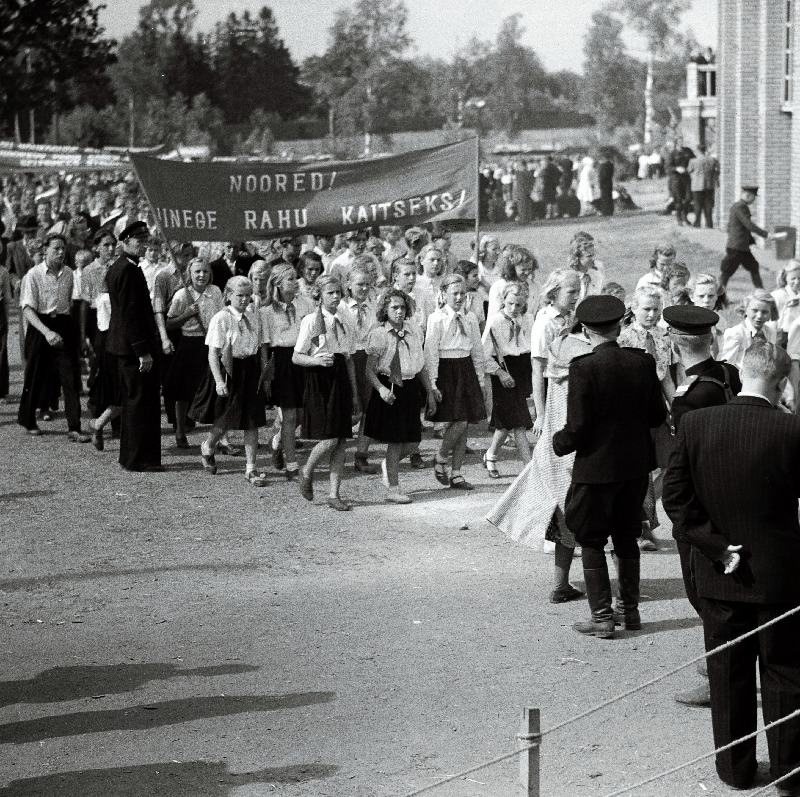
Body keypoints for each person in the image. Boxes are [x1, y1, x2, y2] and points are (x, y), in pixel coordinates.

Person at [663, 342, 800, 796]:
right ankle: (789, 772)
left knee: (726, 676)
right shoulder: (791, 429)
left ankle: (735, 770)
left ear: (742, 372)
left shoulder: (696, 423)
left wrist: (717, 548)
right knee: (785, 674)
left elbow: (676, 501)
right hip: (781, 575)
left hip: (719, 574)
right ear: (782, 383)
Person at [553, 295, 666, 638]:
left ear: (586, 330)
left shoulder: (583, 367)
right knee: (627, 535)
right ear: (619, 326)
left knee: (590, 538)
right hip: (635, 466)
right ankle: (629, 612)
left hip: (596, 468)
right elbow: (657, 416)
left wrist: (558, 442)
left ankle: (602, 617)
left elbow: (577, 428)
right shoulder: (642, 361)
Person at [663, 304, 742, 708]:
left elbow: (684, 464)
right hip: (734, 491)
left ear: (674, 343)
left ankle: (719, 678)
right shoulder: (727, 373)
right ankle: (723, 661)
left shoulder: (689, 397)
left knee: (704, 595)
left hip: (703, 505)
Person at [190, 276, 270, 487]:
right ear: (228, 295)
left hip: (249, 370)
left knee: (252, 421)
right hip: (228, 369)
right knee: (226, 418)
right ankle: (208, 445)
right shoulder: (221, 318)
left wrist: (264, 376)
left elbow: (259, 347)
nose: (244, 300)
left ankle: (251, 468)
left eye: (248, 295)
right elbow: (212, 353)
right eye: (239, 295)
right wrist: (219, 381)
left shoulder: (253, 316)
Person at [293, 275, 361, 511]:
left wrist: (354, 392)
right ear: (319, 295)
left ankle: (334, 494)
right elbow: (297, 356)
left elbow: (349, 359)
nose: (335, 297)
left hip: (340, 376)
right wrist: (316, 361)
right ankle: (307, 471)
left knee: (341, 439)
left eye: (338, 292)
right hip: (320, 377)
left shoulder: (345, 318)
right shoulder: (311, 321)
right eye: (330, 293)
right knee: (330, 437)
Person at [364, 288, 439, 504]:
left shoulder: (413, 330)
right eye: (394, 307)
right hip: (391, 387)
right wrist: (381, 389)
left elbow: (421, 365)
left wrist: (430, 392)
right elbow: (369, 371)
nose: (399, 311)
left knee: (414, 441)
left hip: (410, 387)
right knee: (395, 441)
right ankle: (393, 489)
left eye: (403, 307)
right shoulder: (379, 334)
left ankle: (389, 464)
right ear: (385, 310)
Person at [16, 233, 89, 441]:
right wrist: (46, 332)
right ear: (45, 250)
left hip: (63, 324)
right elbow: (27, 309)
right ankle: (28, 419)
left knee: (71, 376)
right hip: (40, 325)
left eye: (63, 248)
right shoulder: (33, 274)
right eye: (56, 248)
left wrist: (75, 334)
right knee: (35, 375)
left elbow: (70, 303)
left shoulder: (68, 273)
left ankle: (74, 427)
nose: (60, 252)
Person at [105, 221, 163, 472]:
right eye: (139, 242)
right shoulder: (127, 270)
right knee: (139, 403)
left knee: (137, 402)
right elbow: (130, 314)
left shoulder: (122, 267)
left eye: (145, 241)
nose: (144, 246)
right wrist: (142, 351)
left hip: (126, 346)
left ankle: (137, 457)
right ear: (125, 242)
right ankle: (137, 458)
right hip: (132, 349)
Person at [425, 273, 486, 491]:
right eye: (454, 293)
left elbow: (477, 350)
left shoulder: (470, 318)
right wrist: (433, 383)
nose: (459, 298)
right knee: (458, 421)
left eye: (463, 293)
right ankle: (441, 457)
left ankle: (457, 473)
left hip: (466, 368)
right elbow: (431, 352)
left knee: (464, 423)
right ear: (443, 294)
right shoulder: (436, 318)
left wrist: (480, 379)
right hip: (446, 369)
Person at [261, 263, 314, 479]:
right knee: (290, 415)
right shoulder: (266, 311)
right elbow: (264, 347)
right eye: (290, 279)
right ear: (278, 284)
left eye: (295, 278)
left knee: (301, 414)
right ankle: (292, 464)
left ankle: (277, 440)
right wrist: (266, 376)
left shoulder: (306, 304)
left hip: (302, 358)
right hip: (282, 362)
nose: (296, 282)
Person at [165, 258, 224, 449]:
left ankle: (220, 437)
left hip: (211, 343)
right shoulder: (183, 294)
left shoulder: (215, 291)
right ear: (189, 274)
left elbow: (222, 315)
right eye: (197, 271)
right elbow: (169, 323)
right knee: (183, 391)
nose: (201, 275)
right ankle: (180, 431)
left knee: (216, 389)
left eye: (205, 271)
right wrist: (186, 314)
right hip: (190, 343)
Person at [482, 283, 533, 474]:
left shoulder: (528, 319)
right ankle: (529, 468)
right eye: (510, 303)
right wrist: (500, 373)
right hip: (503, 371)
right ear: (503, 300)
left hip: (522, 370)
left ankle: (491, 455)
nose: (513, 308)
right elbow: (484, 354)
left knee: (507, 423)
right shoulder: (495, 321)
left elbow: (531, 345)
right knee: (518, 423)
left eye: (518, 305)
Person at [342, 266, 379, 475]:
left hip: (368, 358)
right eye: (359, 284)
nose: (364, 288)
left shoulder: (373, 308)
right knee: (350, 411)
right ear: (349, 285)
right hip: (347, 358)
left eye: (367, 284)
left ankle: (361, 455)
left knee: (369, 409)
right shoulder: (342, 308)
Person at [720, 186, 771, 291]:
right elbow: (748, 225)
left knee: (753, 266)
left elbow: (731, 226)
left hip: (739, 246)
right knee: (727, 271)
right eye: (754, 197)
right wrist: (765, 234)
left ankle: (760, 292)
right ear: (748, 195)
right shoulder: (741, 207)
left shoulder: (736, 206)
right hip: (738, 247)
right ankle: (718, 294)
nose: (754, 200)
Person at [720, 289, 778, 369]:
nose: (759, 316)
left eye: (765, 312)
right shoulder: (736, 333)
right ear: (745, 310)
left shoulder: (771, 332)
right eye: (755, 310)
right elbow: (727, 365)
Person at [687, 145, 719, 228]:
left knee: (697, 204)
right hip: (709, 185)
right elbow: (718, 170)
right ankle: (709, 223)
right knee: (708, 205)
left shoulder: (693, 161)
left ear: (698, 150)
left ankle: (697, 223)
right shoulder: (712, 159)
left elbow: (689, 171)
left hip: (697, 185)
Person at [568, 232, 605, 301]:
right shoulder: (569, 277)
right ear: (577, 257)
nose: (593, 259)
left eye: (593, 255)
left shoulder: (598, 271)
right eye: (589, 256)